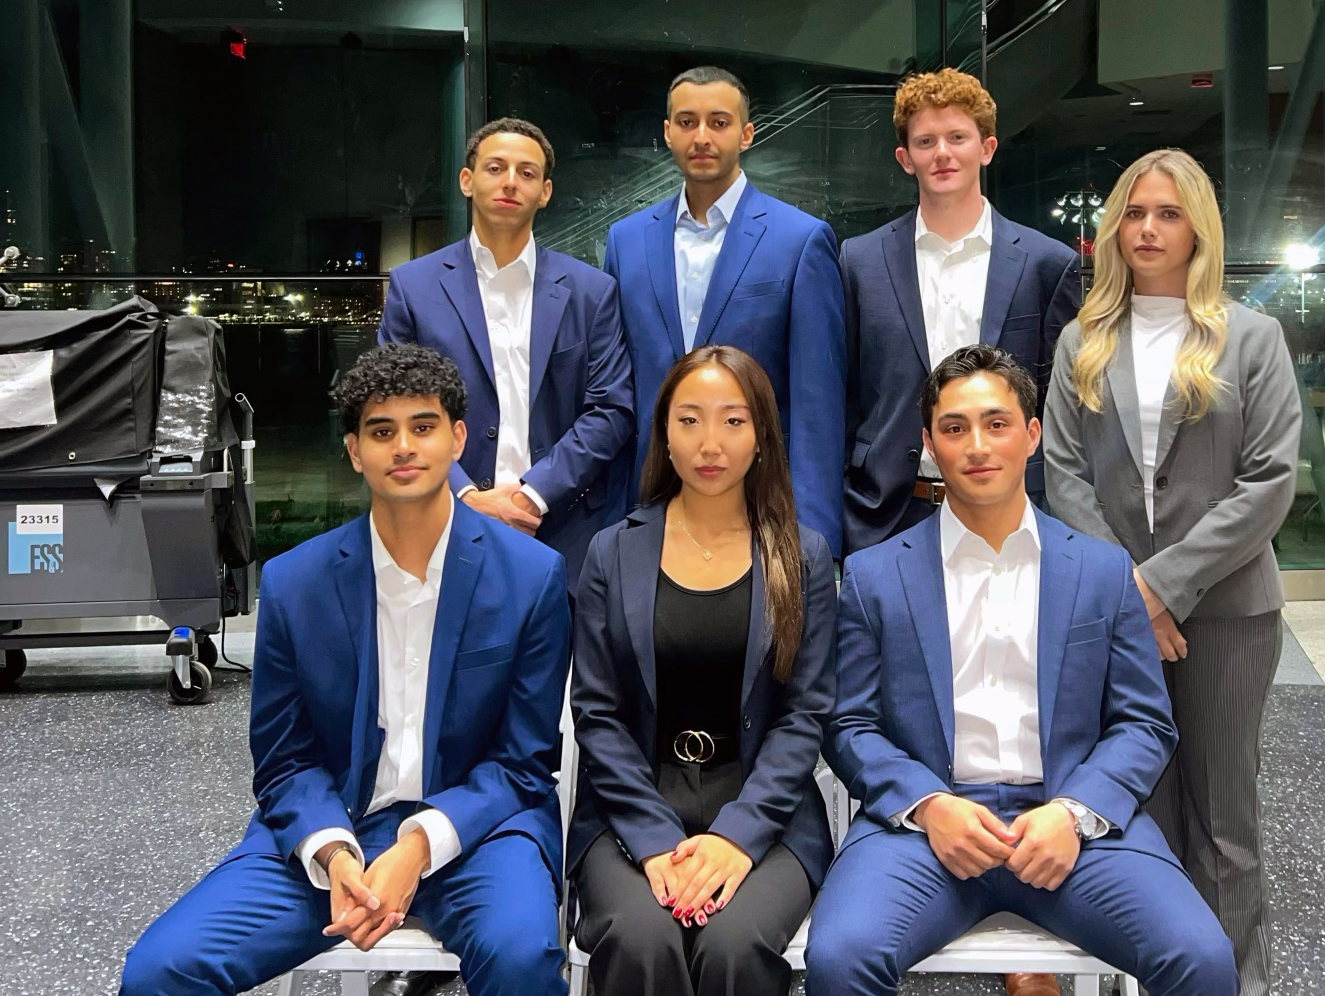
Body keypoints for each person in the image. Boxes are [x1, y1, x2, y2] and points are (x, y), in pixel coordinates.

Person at [119, 344, 571, 996]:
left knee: (521, 958)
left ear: (457, 438)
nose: (404, 448)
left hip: (480, 834)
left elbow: (523, 762)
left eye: (424, 426)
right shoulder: (294, 583)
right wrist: (335, 853)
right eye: (382, 432)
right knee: (160, 971)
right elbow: (283, 761)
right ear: (355, 451)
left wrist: (415, 849)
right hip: (338, 828)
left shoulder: (529, 578)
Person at [804, 344, 1237, 996]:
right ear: (928, 443)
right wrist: (928, 806)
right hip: (926, 835)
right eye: (954, 428)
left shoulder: (1100, 570)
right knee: (839, 959)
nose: (977, 445)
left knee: (1201, 959)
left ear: (1032, 434)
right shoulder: (875, 576)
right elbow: (849, 724)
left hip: (1075, 830)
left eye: (996, 424)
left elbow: (1145, 723)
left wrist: (1073, 811)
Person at [1041, 148, 1302, 996]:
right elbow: (1062, 476)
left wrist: (1163, 586)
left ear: (1198, 228)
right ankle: (1146, 976)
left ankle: (1236, 983)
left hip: (1228, 612)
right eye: (1135, 212)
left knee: (1226, 821)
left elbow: (1270, 482)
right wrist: (1129, 595)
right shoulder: (1082, 340)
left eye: (1168, 213)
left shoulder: (1249, 336)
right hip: (1114, 617)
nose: (1148, 228)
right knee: (1138, 811)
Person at [568, 345, 836, 996]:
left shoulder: (801, 557)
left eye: (732, 421)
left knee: (732, 943)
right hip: (630, 808)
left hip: (765, 815)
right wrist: (656, 841)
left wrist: (736, 837)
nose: (709, 442)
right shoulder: (614, 552)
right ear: (664, 431)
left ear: (762, 436)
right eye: (689, 420)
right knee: (642, 937)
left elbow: (805, 718)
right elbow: (597, 717)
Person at [379, 116, 633, 591]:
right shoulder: (413, 287)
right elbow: (393, 409)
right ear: (467, 180)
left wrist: (533, 496)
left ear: (545, 191)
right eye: (496, 168)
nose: (511, 182)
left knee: (560, 666)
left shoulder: (591, 292)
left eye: (527, 172)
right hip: (445, 521)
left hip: (566, 529)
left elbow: (611, 409)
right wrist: (466, 495)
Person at [605, 66, 846, 557]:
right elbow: (616, 385)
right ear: (667, 131)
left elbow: (816, 404)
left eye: (718, 122)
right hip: (648, 499)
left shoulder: (800, 240)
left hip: (761, 502)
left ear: (746, 133)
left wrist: (813, 540)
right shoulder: (625, 241)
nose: (702, 136)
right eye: (687, 121)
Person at [842, 68, 1080, 556]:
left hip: (1015, 512)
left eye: (957, 137)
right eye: (926, 141)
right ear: (905, 159)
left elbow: (1062, 405)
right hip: (889, 514)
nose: (943, 153)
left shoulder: (1047, 265)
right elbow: (844, 394)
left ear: (987, 148)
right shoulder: (859, 261)